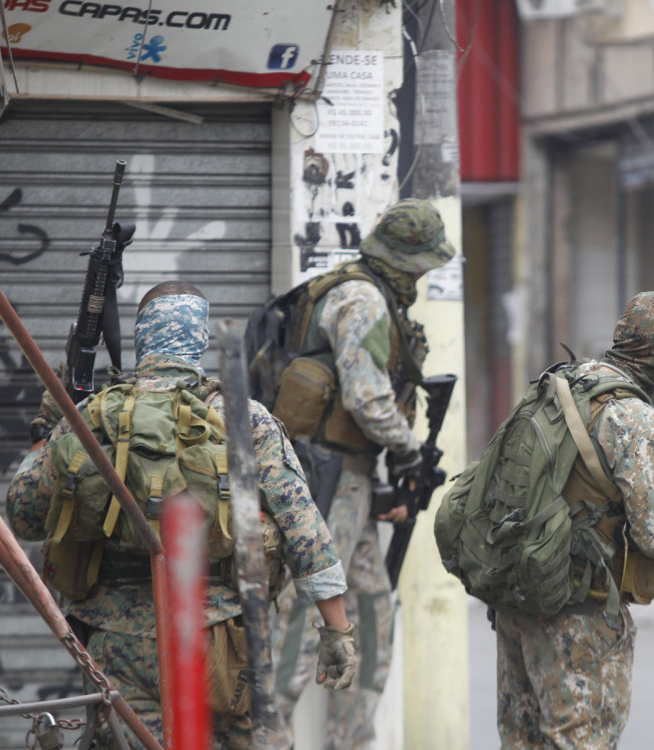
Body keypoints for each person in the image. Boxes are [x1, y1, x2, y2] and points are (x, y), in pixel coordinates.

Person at [7, 281, 358, 749]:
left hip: (115, 640)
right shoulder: (243, 419)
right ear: (200, 340)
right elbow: (305, 532)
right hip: (218, 639)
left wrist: (45, 433)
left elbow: (24, 515)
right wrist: (336, 630)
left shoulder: (93, 415)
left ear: (141, 339)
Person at [270, 198, 455, 749]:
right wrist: (408, 452)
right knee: (305, 617)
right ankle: (266, 734)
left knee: (372, 612)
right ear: (404, 262)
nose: (424, 278)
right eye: (423, 266)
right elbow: (367, 396)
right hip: (330, 477)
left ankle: (351, 739)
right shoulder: (363, 299)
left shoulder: (360, 291)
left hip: (349, 477)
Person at [494, 291, 654, 749]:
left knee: (523, 741)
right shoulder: (630, 415)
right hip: (578, 612)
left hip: (518, 595)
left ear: (622, 334)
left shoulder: (558, 384)